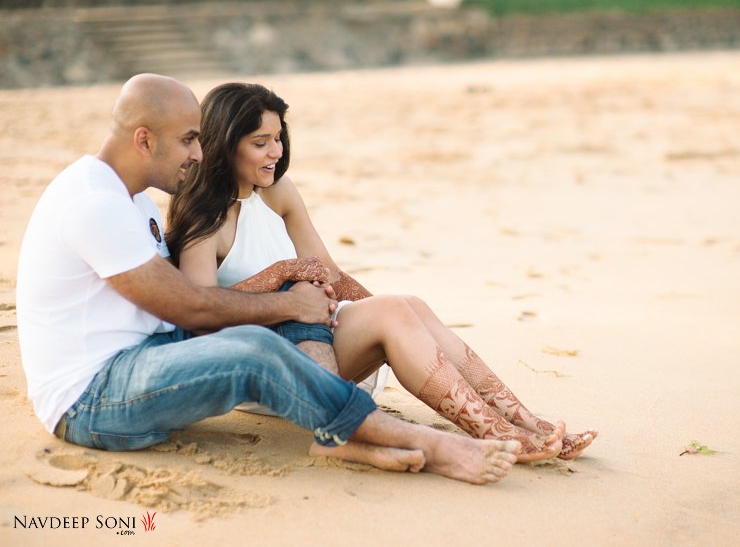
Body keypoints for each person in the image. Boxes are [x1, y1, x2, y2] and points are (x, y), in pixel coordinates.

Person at [15, 73, 521, 485]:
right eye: (189, 139)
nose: (198, 152)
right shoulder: (92, 203)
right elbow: (190, 306)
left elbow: (188, 307)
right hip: (93, 398)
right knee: (255, 346)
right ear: (144, 139)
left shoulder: (135, 201)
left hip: (146, 357)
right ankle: (414, 441)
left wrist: (297, 296)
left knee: (281, 307)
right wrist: (287, 301)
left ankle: (348, 433)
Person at [166, 82, 597, 462]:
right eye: (261, 143)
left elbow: (330, 273)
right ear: (226, 144)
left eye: (279, 139)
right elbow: (201, 314)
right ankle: (498, 434)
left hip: (318, 339)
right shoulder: (205, 218)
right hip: (270, 368)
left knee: (408, 305)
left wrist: (392, 316)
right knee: (393, 312)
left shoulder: (277, 191)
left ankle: (525, 421)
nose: (276, 152)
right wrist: (281, 273)